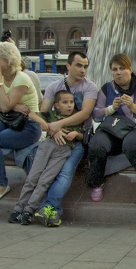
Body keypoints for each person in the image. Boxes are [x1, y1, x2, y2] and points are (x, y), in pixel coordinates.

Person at [32, 50, 97, 226]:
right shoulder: (54, 87)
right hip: (55, 139)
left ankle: (48, 206)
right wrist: (54, 131)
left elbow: (84, 114)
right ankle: (50, 210)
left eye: (85, 66)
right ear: (68, 66)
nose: (83, 70)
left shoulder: (90, 87)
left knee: (67, 170)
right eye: (78, 65)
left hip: (77, 140)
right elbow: (44, 115)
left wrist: (58, 125)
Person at [86, 52, 136, 202]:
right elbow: (97, 115)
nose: (118, 72)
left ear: (130, 69)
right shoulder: (107, 89)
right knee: (97, 144)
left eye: (122, 68)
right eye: (114, 69)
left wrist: (133, 106)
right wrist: (111, 108)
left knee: (131, 143)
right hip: (114, 130)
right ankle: (97, 183)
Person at [0, 40, 41, 204]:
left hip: (28, 127)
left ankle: (1, 183)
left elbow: (5, 107)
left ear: (9, 60)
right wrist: (13, 106)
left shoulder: (21, 79)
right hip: (8, 122)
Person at [9, 89, 85, 223]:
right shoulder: (52, 115)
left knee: (45, 180)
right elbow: (32, 114)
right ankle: (18, 209)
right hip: (47, 146)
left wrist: (76, 135)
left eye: (71, 102)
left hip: (63, 151)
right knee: (32, 178)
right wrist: (51, 128)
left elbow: (82, 135)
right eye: (65, 102)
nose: (69, 105)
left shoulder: (76, 118)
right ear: (56, 105)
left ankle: (28, 211)